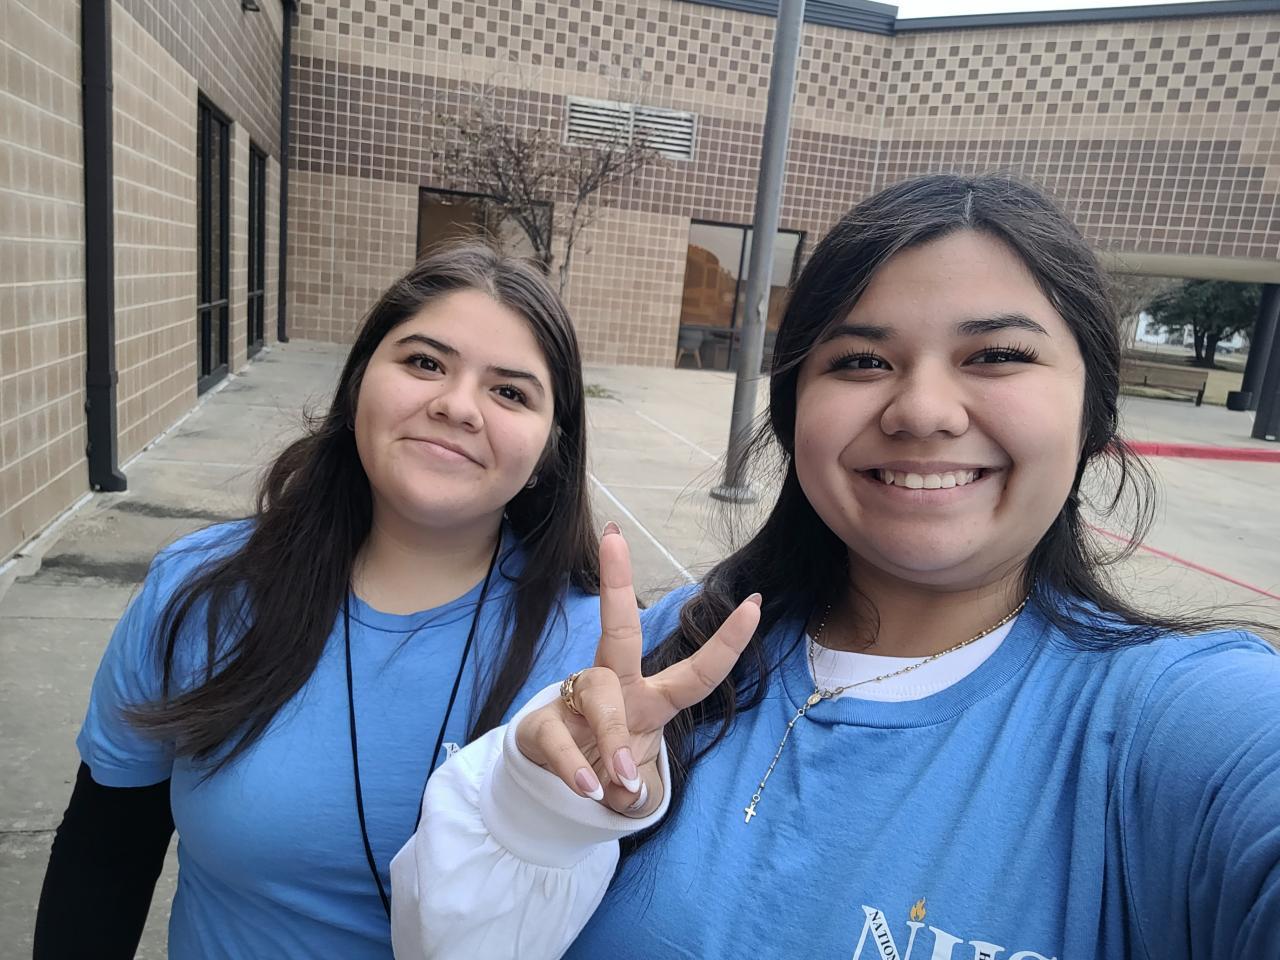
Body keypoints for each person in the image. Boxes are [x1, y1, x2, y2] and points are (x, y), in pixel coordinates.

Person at [390, 175, 1280, 960]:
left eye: (997, 356)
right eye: (861, 361)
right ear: (794, 414)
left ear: (1093, 411)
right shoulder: (672, 652)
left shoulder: (1182, 725)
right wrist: (542, 811)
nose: (922, 410)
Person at [33, 245, 607, 959]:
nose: (457, 406)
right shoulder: (201, 590)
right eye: (425, 362)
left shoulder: (596, 654)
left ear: (552, 448)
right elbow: (103, 858)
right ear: (358, 382)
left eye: (510, 393)